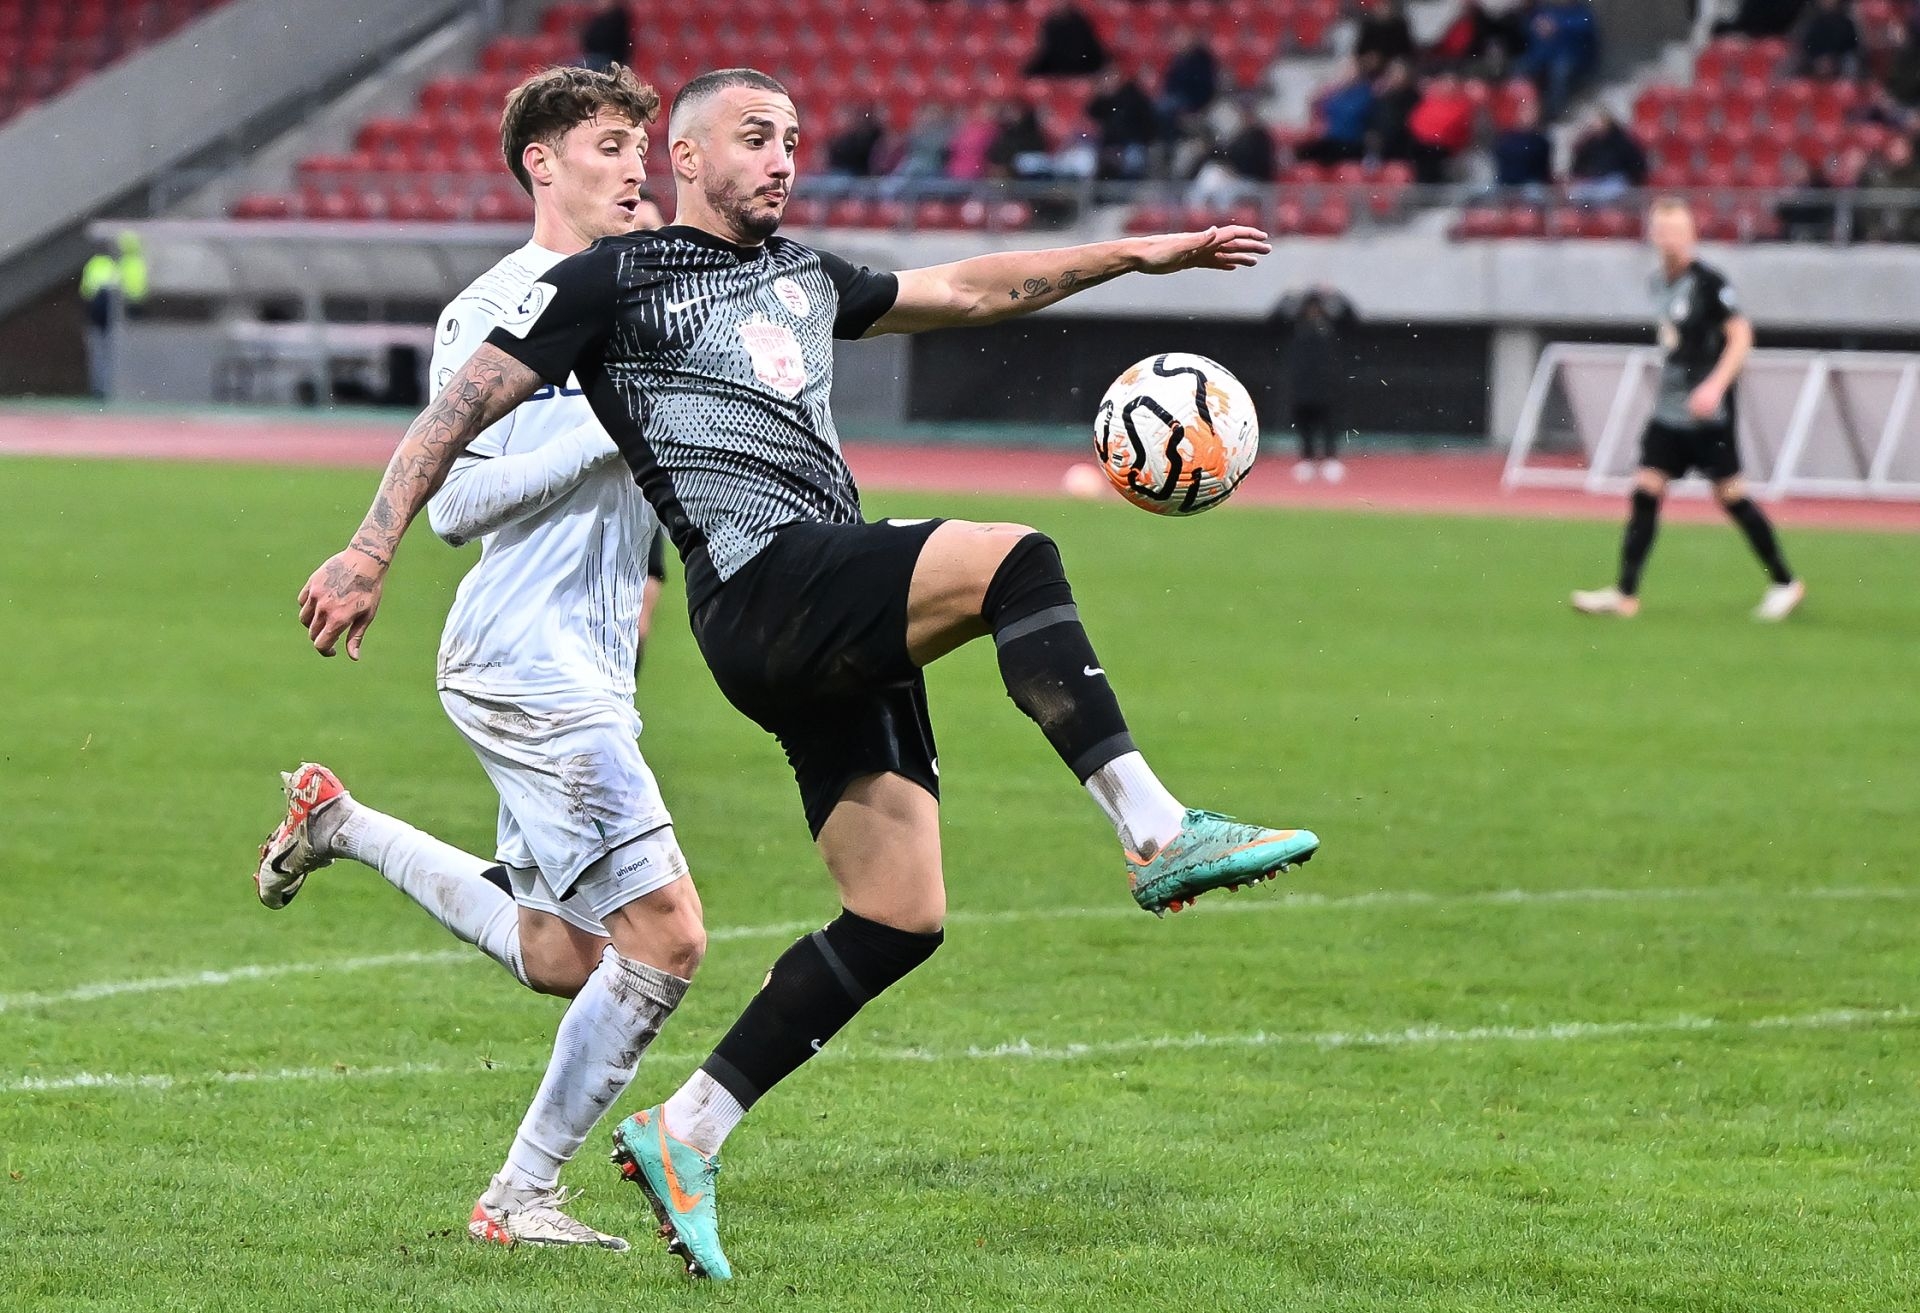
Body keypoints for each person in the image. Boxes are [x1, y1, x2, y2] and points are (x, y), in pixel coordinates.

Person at [294, 66, 1320, 1280]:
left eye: (792, 137)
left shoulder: (803, 274)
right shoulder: (611, 278)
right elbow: (454, 415)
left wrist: (1142, 255)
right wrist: (369, 547)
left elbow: (970, 287)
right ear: (687, 157)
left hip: (815, 616)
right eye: (755, 136)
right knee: (1018, 560)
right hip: (763, 582)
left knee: (900, 913)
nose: (782, 157)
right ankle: (1155, 828)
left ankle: (688, 1129)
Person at [260, 64, 708, 1251]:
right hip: (522, 655)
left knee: (565, 953)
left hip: (586, 659)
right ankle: (518, 1195)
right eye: (610, 146)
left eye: (641, 149)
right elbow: (458, 503)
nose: (636, 167)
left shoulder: (644, 299)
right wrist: (612, 424)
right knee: (668, 935)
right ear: (541, 164)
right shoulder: (494, 308)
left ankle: (340, 823)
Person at [1573, 198, 1804, 621]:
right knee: (1646, 489)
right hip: (1669, 409)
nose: (1669, 240)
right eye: (1662, 231)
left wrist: (1715, 386)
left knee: (1730, 495)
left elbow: (1741, 337)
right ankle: (1625, 594)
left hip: (1708, 414)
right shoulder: (1658, 283)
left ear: (1692, 235)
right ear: (1652, 236)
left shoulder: (1710, 284)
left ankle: (1785, 582)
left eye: (1677, 231)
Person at [1275, 286, 1358, 482]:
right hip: (1301, 385)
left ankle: (1330, 458)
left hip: (1327, 385)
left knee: (1329, 423)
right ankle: (1307, 458)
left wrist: (1335, 294)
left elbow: (1352, 318)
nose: (1313, 311)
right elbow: (1274, 321)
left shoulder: (1331, 326)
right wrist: (1289, 295)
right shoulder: (1296, 326)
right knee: (1304, 424)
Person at [78, 230, 146, 400]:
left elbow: (86, 294)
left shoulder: (100, 264)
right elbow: (137, 295)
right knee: (108, 355)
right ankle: (107, 390)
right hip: (115, 318)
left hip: (106, 318)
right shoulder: (129, 265)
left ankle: (103, 391)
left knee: (101, 355)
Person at [1566, 108, 1647, 202]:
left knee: (1604, 195)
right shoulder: (1590, 142)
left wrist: (1633, 179)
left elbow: (1635, 162)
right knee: (1575, 194)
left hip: (1615, 178)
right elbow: (1579, 165)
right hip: (1594, 180)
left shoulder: (1621, 141)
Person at [1023, 1, 1108, 78]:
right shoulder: (1048, 25)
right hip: (1055, 73)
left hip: (1082, 71)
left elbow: (1091, 52)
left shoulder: (1080, 23)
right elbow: (1044, 56)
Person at [1797, 0, 1860, 79]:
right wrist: (1818, 60)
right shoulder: (1810, 21)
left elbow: (1852, 46)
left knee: (1851, 61)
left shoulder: (1847, 22)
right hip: (1815, 60)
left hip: (1840, 61)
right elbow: (1806, 45)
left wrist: (1833, 59)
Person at [578, 0, 632, 72]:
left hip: (610, 59)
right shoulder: (598, 20)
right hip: (596, 57)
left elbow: (608, 42)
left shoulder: (618, 19)